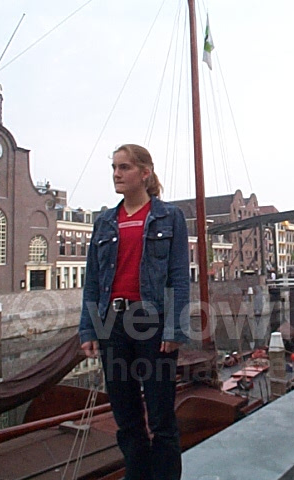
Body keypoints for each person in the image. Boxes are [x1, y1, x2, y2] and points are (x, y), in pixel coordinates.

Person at [79, 144, 189, 480]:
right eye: (114, 167)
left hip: (152, 324)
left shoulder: (169, 217)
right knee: (126, 418)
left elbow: (179, 276)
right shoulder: (104, 222)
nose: (116, 174)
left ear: (145, 173)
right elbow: (93, 281)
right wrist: (88, 329)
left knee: (160, 417)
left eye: (124, 167)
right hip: (112, 324)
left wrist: (174, 329)